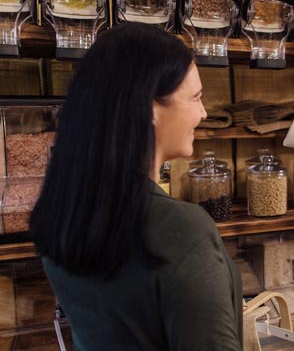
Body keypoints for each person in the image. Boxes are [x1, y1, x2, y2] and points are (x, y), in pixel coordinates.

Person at [30, 22, 243, 351]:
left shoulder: (61, 211)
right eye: (196, 97)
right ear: (150, 107)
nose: (202, 113)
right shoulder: (181, 229)